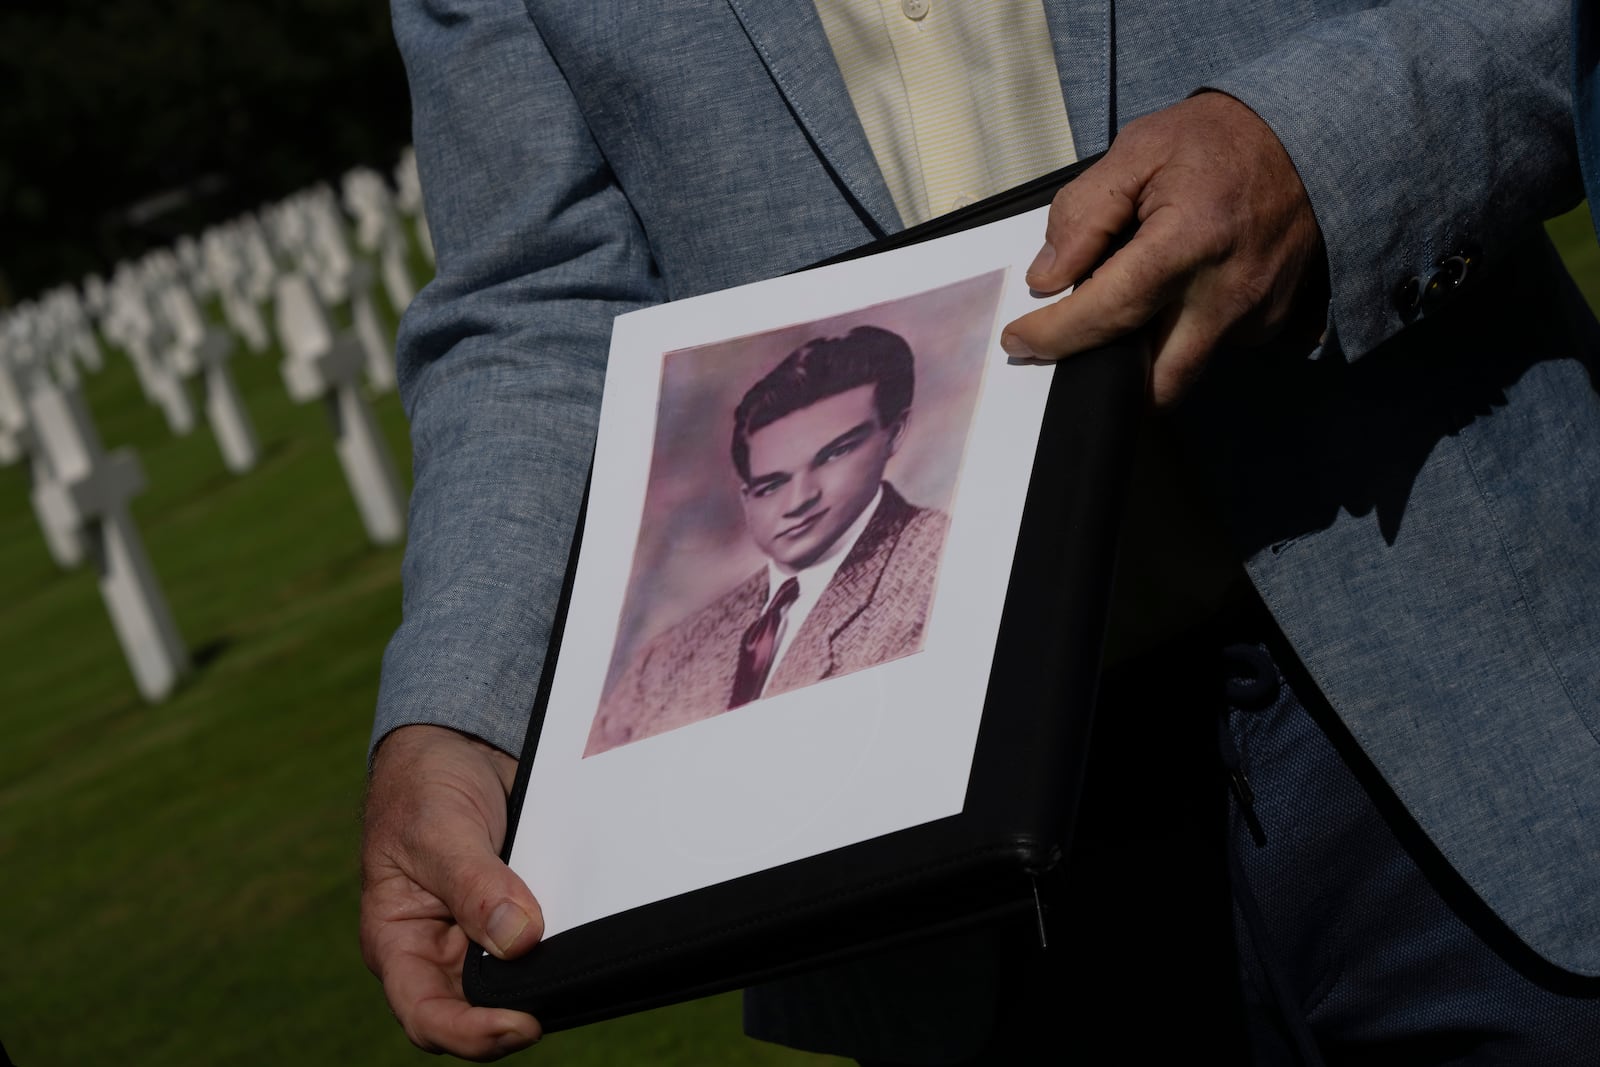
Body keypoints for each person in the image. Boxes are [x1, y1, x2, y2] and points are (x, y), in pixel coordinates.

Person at [360, 1, 1600, 1062]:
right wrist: (459, 705)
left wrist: (1317, 155)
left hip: (1465, 685)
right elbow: (536, 302)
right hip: (923, 886)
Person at [586, 325, 949, 756]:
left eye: (834, 454)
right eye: (770, 485)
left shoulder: (944, 568)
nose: (799, 501)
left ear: (895, 434)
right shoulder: (663, 662)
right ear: (746, 498)